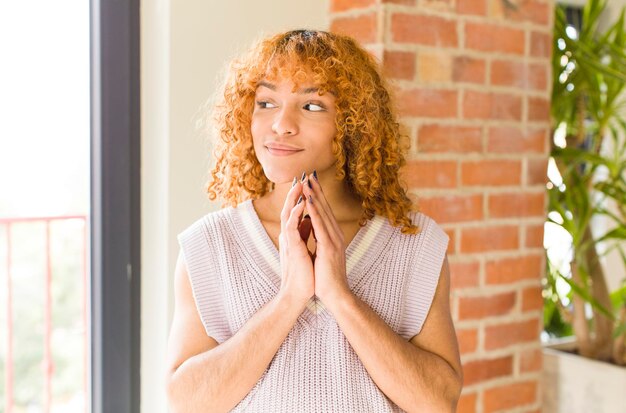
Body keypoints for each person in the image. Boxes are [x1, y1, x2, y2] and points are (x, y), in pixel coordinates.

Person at [166, 29, 463, 413]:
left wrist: (340, 294)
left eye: (311, 106)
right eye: (266, 102)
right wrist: (290, 297)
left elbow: (439, 403)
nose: (281, 125)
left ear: (354, 125)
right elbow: (186, 403)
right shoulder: (208, 247)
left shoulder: (416, 244)